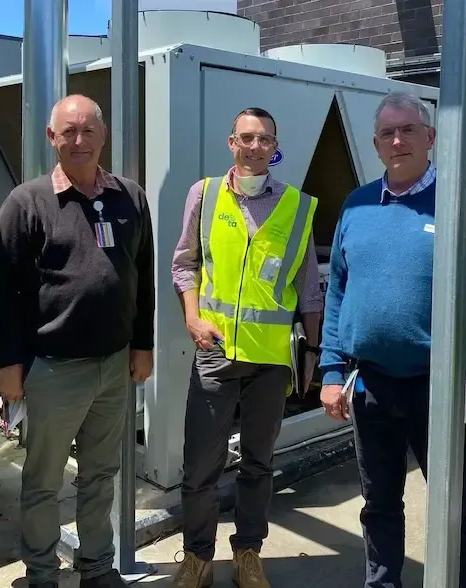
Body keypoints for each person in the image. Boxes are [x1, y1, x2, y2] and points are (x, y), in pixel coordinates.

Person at [318, 92, 466, 588]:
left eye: (408, 130)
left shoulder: (464, 199)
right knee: (379, 506)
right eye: (388, 133)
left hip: (445, 388)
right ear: (376, 144)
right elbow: (339, 291)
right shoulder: (357, 203)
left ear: (430, 137)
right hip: (371, 387)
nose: (397, 140)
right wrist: (329, 370)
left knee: (455, 509)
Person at [0, 94, 154, 588]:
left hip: (115, 364)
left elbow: (140, 277)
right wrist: (9, 364)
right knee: (43, 480)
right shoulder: (28, 201)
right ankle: (41, 573)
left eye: (88, 131)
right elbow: (3, 290)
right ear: (51, 137)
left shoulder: (130, 196)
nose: (79, 141)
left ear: (103, 135)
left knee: (100, 475)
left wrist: (143, 345)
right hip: (53, 369)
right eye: (68, 132)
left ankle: (97, 568)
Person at [169, 107, 322, 588]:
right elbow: (184, 264)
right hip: (215, 354)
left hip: (271, 360)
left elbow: (310, 287)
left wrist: (314, 353)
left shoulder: (298, 206)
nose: (256, 147)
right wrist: (192, 317)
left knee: (259, 463)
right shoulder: (206, 194)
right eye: (247, 138)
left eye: (265, 140)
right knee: (200, 467)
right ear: (231, 142)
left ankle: (248, 553)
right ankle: (197, 556)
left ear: (275, 147)